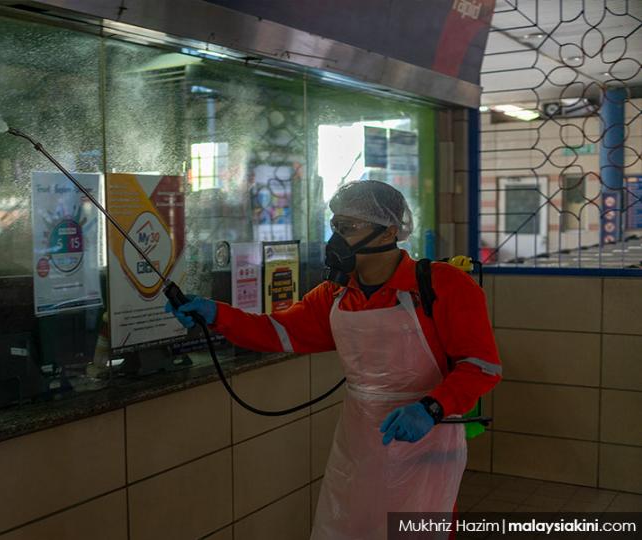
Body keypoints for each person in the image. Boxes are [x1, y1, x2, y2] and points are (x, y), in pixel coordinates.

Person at [166, 180, 501, 540]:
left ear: (389, 230)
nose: (337, 239)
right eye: (335, 226)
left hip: (427, 442)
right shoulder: (334, 294)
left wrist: (431, 408)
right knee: (345, 528)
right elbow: (278, 331)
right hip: (359, 444)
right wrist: (216, 314)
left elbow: (482, 366)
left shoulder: (442, 285)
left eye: (349, 227)